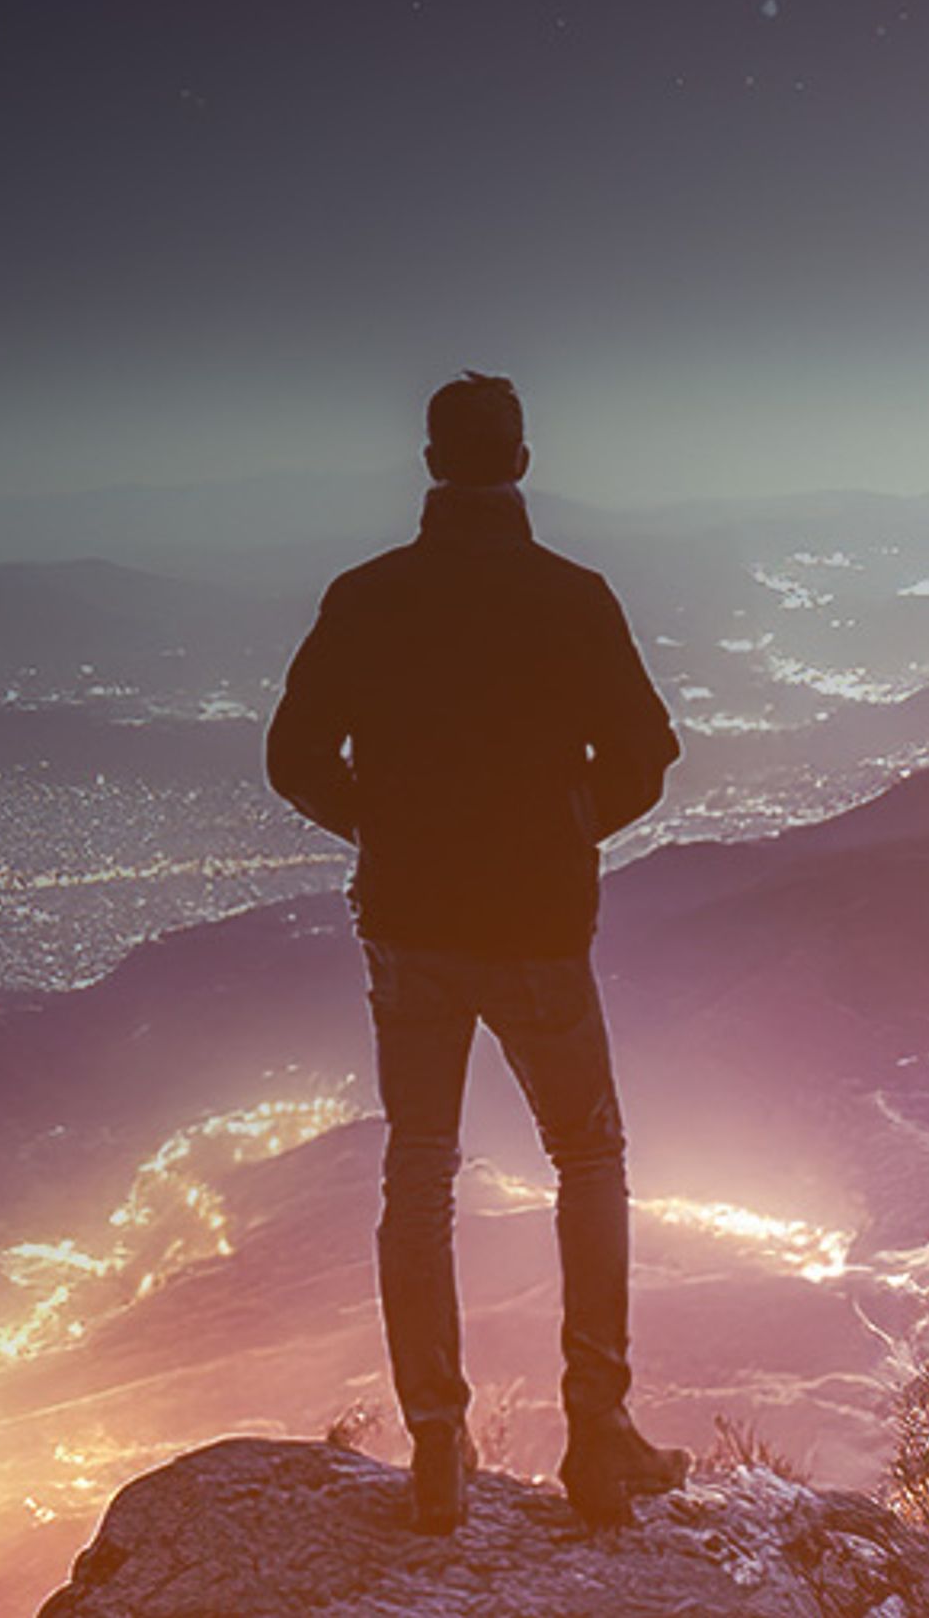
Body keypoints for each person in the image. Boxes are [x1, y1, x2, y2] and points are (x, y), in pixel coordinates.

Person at [264, 371, 693, 1533]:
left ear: (429, 463)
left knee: (419, 1170)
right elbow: (648, 753)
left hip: (410, 925)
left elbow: (292, 756)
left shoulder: (368, 598)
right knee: (588, 1157)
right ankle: (597, 1432)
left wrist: (379, 826)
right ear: (522, 459)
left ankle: (437, 1447)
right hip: (539, 926)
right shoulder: (573, 597)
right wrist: (569, 826)